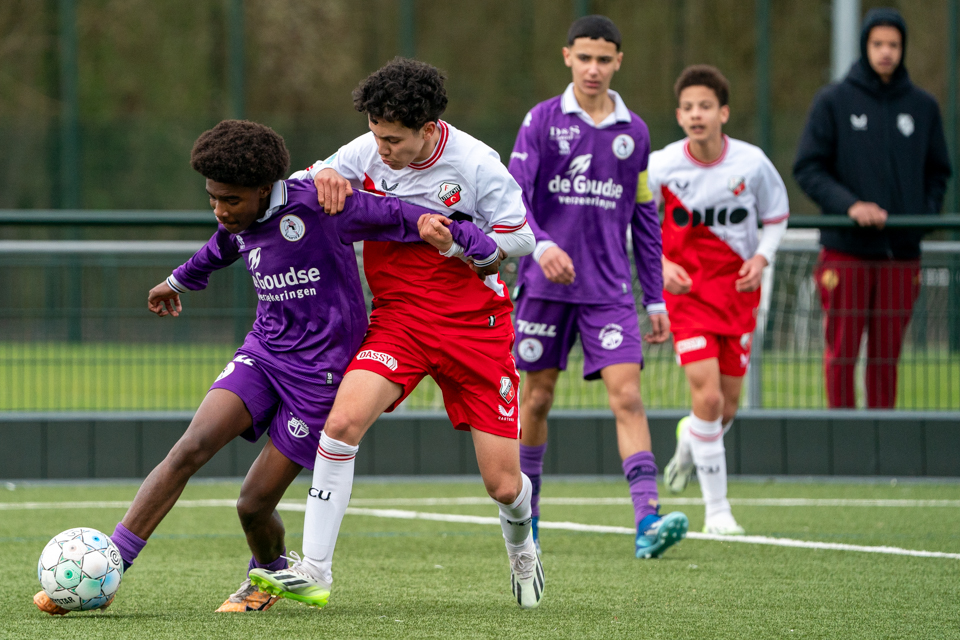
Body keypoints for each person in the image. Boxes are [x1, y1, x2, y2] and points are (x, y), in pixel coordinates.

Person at [33, 119, 498, 616]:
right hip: (264, 354)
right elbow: (219, 249)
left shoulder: (324, 204)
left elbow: (408, 215)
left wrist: (475, 242)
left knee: (252, 504)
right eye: (212, 198)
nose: (220, 210)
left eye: (230, 200)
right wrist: (176, 282)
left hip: (320, 378)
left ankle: (269, 574)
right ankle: (111, 566)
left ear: (263, 189)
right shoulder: (239, 222)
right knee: (191, 447)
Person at [249, 58, 546, 609]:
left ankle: (523, 544)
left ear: (429, 129)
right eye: (375, 135)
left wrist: (459, 240)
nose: (381, 150)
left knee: (504, 486)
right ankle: (315, 570)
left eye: (393, 140)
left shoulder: (478, 163)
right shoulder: (366, 151)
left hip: (474, 329)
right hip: (399, 321)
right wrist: (324, 174)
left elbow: (520, 237)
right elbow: (307, 181)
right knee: (340, 425)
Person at [506, 15, 688, 559]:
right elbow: (513, 199)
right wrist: (541, 247)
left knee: (628, 396)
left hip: (609, 290)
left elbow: (645, 219)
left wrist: (653, 295)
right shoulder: (540, 121)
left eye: (603, 59)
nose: (593, 68)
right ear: (567, 57)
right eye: (584, 58)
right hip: (543, 287)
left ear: (618, 63)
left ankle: (648, 520)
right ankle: (528, 522)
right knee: (536, 399)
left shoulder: (635, 133)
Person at [652, 66, 789, 535]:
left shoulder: (751, 163)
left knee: (725, 408)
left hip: (738, 297)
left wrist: (763, 258)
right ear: (679, 114)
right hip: (686, 297)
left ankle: (690, 439)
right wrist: (660, 267)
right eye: (688, 107)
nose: (696, 114)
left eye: (705, 106)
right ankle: (718, 512)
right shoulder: (662, 165)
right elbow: (634, 220)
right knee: (707, 397)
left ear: (723, 113)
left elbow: (776, 215)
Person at [793, 7, 951, 408]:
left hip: (901, 255)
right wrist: (850, 207)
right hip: (846, 252)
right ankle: (840, 437)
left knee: (887, 355)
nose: (886, 52)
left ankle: (884, 434)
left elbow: (939, 172)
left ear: (903, 49)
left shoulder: (923, 107)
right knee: (842, 351)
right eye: (878, 44)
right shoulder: (833, 101)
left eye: (893, 45)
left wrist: (921, 218)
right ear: (865, 47)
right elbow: (808, 168)